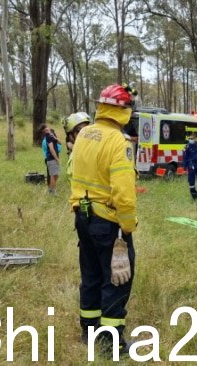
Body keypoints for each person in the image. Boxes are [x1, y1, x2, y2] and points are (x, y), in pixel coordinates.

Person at [69, 83, 138, 356]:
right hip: (108, 221)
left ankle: (89, 331)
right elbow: (124, 192)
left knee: (91, 274)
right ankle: (112, 344)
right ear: (122, 111)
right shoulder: (119, 142)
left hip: (82, 216)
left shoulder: (84, 134)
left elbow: (72, 172)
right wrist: (128, 225)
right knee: (117, 279)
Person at [63, 112, 91, 178]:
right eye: (79, 131)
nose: (85, 134)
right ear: (70, 136)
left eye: (89, 130)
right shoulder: (74, 159)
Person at [42, 126, 61, 194]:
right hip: (51, 158)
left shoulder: (52, 137)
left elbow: (60, 142)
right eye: (46, 130)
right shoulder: (48, 138)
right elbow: (51, 149)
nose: (48, 130)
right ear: (45, 132)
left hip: (53, 158)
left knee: (56, 175)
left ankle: (50, 189)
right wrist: (56, 159)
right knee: (53, 175)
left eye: (48, 129)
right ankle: (52, 191)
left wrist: (54, 136)